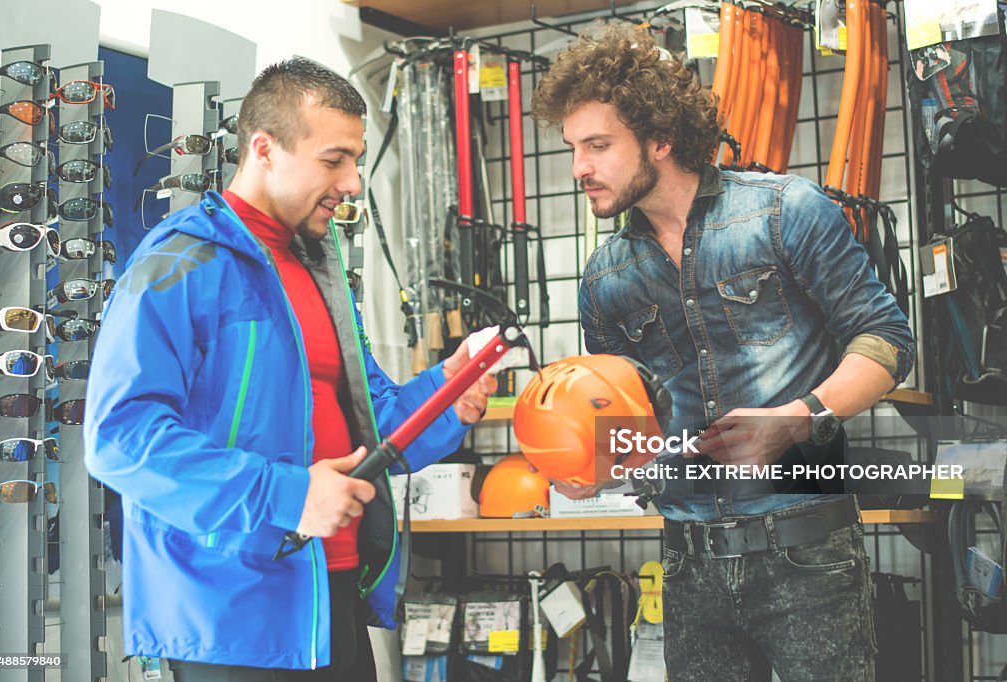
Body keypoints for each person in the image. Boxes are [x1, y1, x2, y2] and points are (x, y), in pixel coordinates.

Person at [84, 57, 495, 681]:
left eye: (355, 160)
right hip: (228, 615)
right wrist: (288, 494)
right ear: (265, 150)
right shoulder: (177, 263)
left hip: (333, 590)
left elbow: (371, 421)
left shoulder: (317, 267)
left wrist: (448, 390)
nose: (353, 182)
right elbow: (119, 439)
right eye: (334, 160)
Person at [530, 25, 915, 681]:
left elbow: (887, 341)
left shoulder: (785, 211)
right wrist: (596, 466)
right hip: (688, 565)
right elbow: (629, 430)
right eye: (573, 148)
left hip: (807, 551)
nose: (578, 169)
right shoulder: (604, 279)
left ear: (660, 138)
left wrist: (801, 416)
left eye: (598, 145)